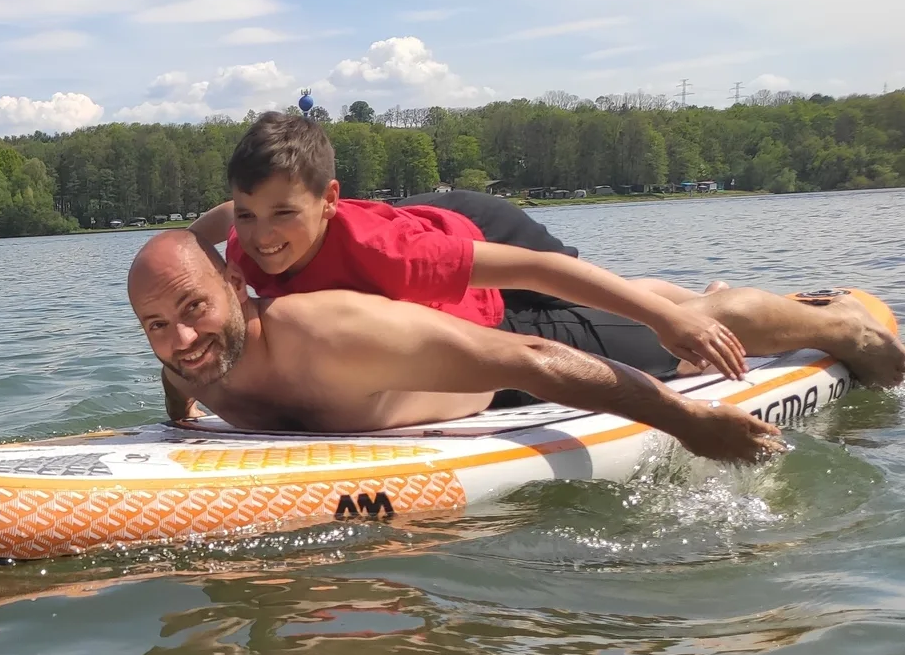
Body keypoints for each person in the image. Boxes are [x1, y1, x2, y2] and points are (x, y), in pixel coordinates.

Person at [128, 230, 905, 463]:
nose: (181, 339)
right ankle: (689, 294)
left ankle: (836, 322)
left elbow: (530, 362)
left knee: (693, 340)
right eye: (157, 327)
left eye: (193, 308)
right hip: (457, 339)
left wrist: (684, 421)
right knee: (663, 304)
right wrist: (181, 420)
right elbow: (181, 371)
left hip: (513, 361)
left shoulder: (327, 333)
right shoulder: (192, 350)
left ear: (237, 285)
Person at [181, 114, 746, 420]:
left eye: (281, 213)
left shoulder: (393, 255)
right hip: (414, 237)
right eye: (251, 217)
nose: (260, 235)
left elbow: (540, 270)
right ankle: (680, 302)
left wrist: (668, 323)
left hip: (475, 231)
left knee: (567, 298)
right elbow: (210, 228)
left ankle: (691, 304)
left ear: (327, 199)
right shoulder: (247, 238)